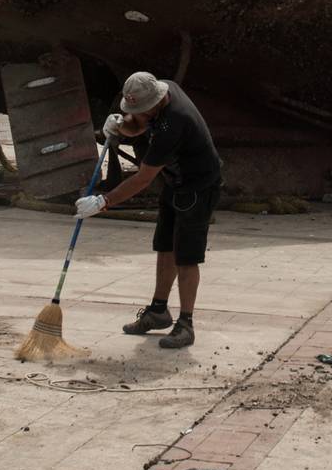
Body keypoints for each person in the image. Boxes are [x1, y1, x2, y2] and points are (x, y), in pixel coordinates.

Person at [74, 71, 222, 349]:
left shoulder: (174, 123)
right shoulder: (165, 90)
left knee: (187, 256)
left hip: (199, 187)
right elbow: (138, 123)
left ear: (155, 102)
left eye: (140, 110)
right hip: (175, 182)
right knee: (165, 246)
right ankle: (158, 311)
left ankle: (186, 324)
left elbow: (143, 178)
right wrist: (119, 125)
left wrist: (104, 201)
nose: (138, 114)